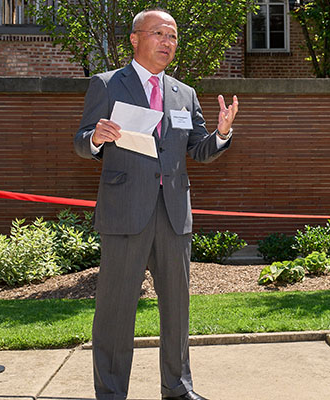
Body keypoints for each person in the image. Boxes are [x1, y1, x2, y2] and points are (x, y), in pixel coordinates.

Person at [73, 7, 238, 400]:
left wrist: (221, 134)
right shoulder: (107, 84)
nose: (168, 43)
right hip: (125, 213)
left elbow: (198, 149)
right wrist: (96, 136)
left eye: (173, 37)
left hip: (174, 215)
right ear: (135, 38)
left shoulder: (185, 93)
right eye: (160, 34)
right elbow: (81, 141)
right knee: (115, 313)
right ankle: (111, 394)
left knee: (177, 312)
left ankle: (178, 390)